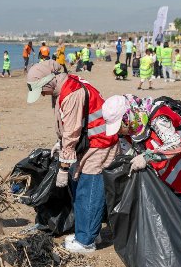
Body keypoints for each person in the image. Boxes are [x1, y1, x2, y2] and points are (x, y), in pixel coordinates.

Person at [26, 61, 119, 254]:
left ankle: (86, 241)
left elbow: (72, 132)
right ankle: (89, 232)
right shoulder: (65, 87)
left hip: (99, 144)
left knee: (89, 189)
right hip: (87, 144)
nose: (42, 94)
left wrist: (63, 168)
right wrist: (60, 144)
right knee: (80, 187)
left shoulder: (72, 93)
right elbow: (69, 128)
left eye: (41, 90)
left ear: (49, 81)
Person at [102, 94, 181, 205]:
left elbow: (175, 145)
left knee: (175, 207)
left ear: (128, 117)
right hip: (161, 165)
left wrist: (146, 157)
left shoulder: (158, 118)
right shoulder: (130, 129)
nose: (118, 131)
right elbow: (128, 152)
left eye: (118, 126)